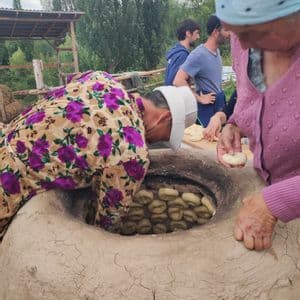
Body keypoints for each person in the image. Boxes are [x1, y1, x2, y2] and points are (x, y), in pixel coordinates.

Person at [0, 70, 197, 239]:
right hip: (8, 183)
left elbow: (72, 83)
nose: (158, 141)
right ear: (164, 117)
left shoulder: (102, 79)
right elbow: (108, 222)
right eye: (168, 134)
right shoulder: (132, 152)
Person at [215, 0, 300, 250]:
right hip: (266, 183)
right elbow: (249, 96)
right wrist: (234, 124)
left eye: (256, 32)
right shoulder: (246, 42)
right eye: (234, 32)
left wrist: (278, 201)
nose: (242, 44)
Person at [173, 14, 230, 127]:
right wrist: (199, 98)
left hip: (218, 104)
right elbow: (178, 80)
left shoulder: (217, 52)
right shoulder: (198, 55)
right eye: (226, 30)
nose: (229, 34)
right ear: (215, 32)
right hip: (207, 109)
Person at [164, 19, 200, 86]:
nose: (198, 37)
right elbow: (175, 83)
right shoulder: (182, 55)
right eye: (197, 33)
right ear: (188, 33)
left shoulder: (174, 52)